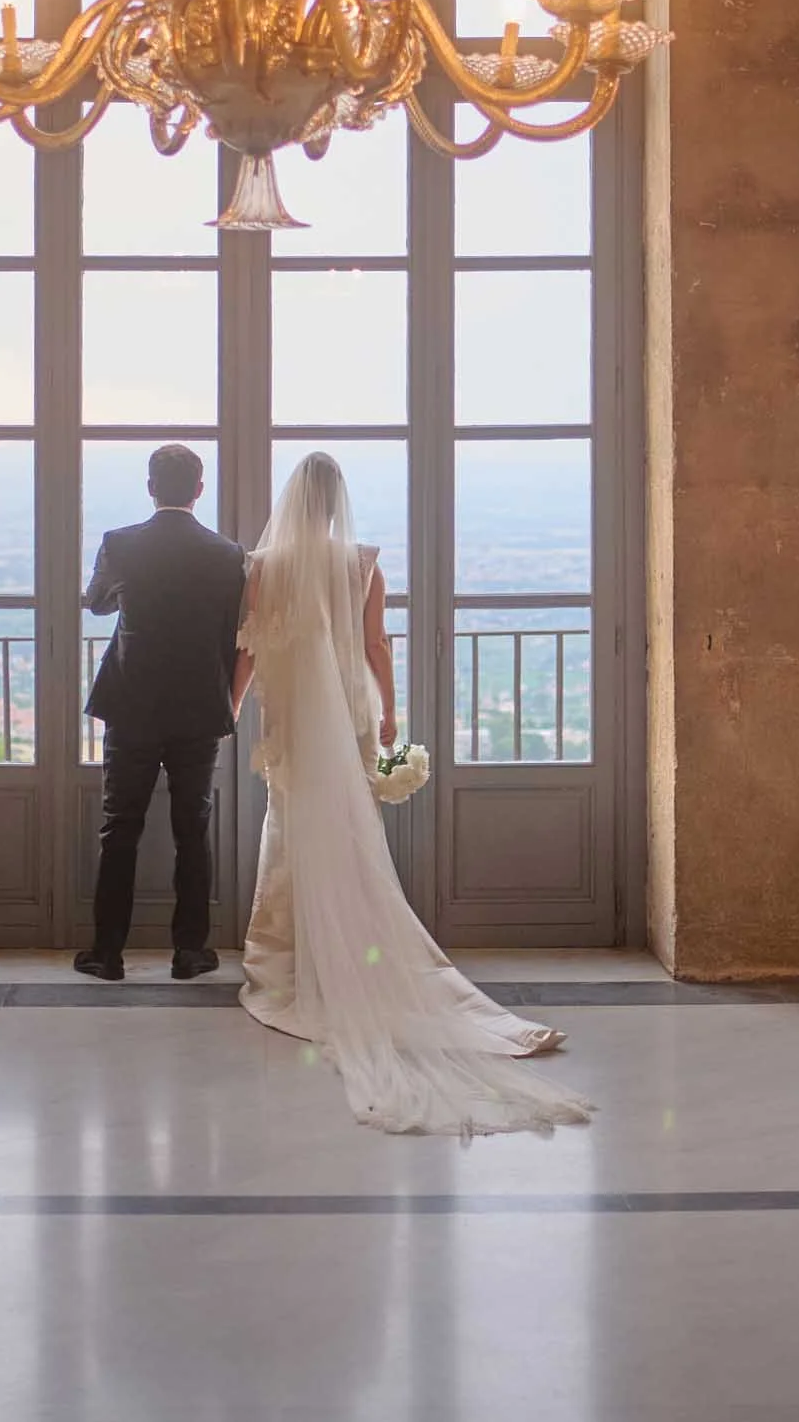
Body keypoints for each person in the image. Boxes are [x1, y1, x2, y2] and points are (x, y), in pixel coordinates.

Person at [231, 451, 592, 1137]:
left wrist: (232, 703)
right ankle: (355, 945)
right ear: (337, 503)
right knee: (348, 833)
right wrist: (389, 715)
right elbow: (375, 648)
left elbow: (250, 647)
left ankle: (292, 960)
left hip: (295, 725)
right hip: (348, 718)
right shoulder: (363, 561)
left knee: (292, 834)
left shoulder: (262, 567)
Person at [76, 443, 246, 982]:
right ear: (200, 489)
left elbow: (97, 601)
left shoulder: (120, 543)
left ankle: (107, 953)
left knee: (119, 827)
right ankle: (189, 952)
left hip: (131, 705)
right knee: (192, 829)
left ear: (151, 486)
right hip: (199, 706)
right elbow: (233, 632)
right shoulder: (226, 553)